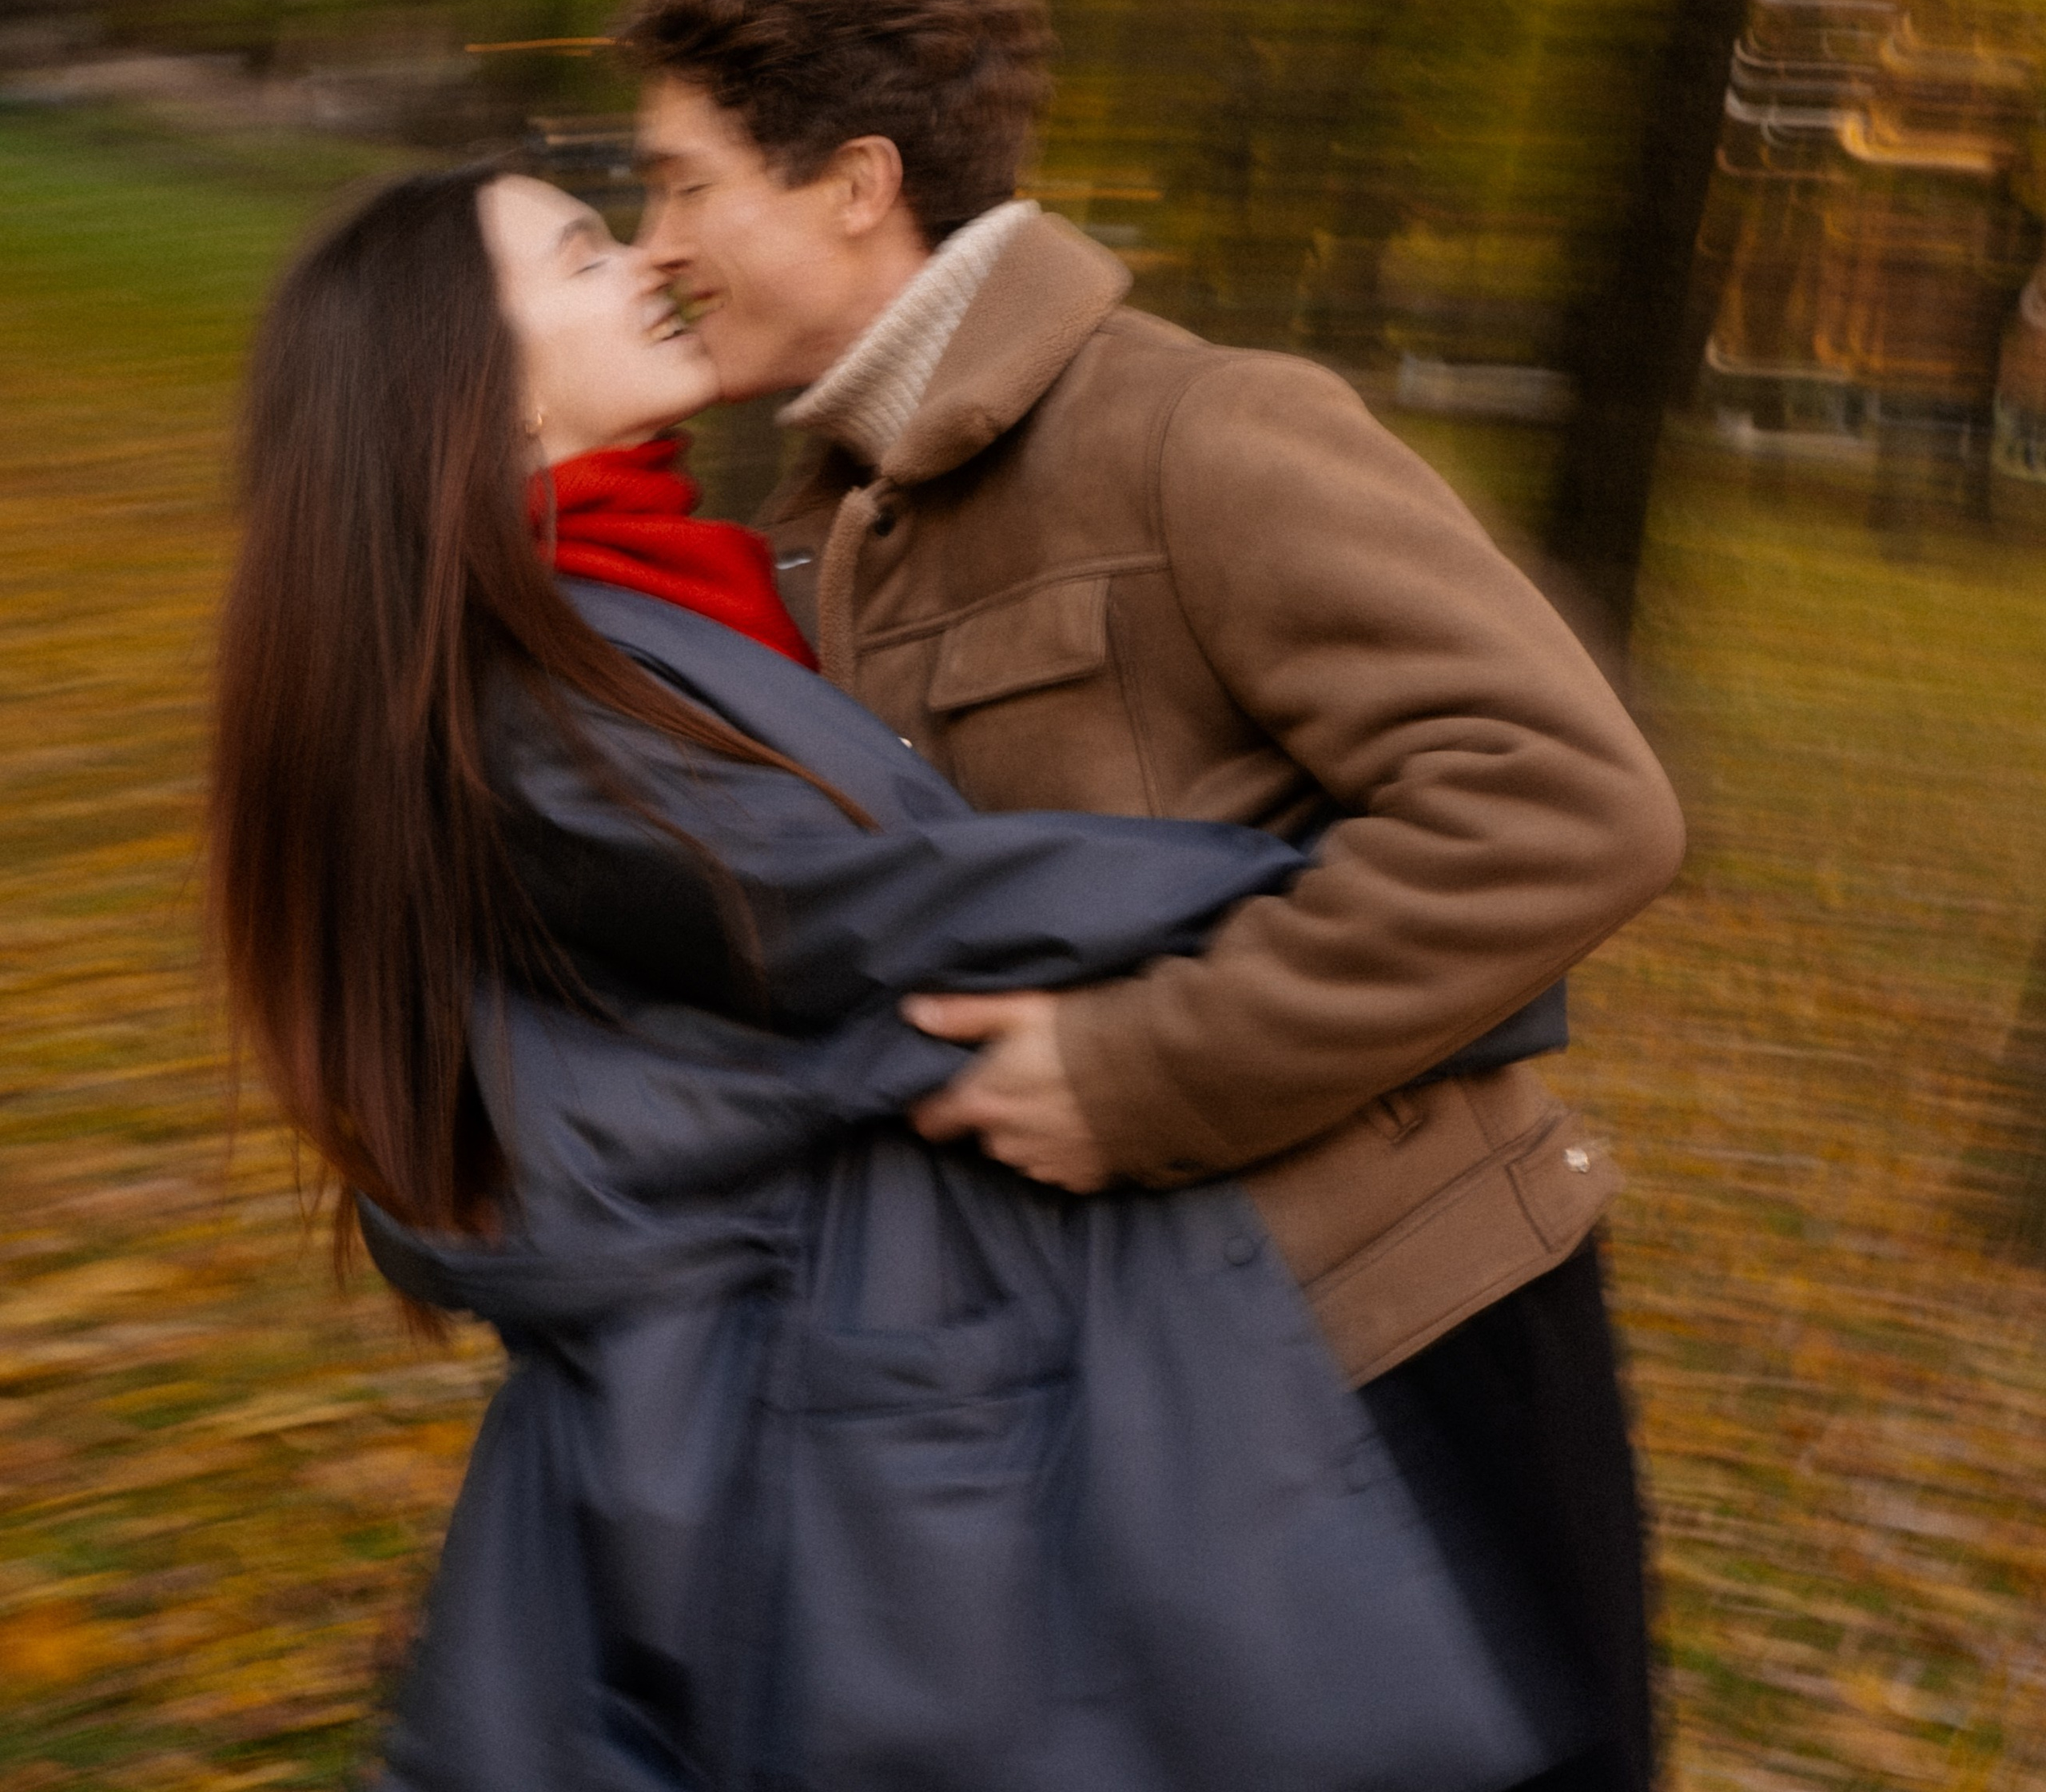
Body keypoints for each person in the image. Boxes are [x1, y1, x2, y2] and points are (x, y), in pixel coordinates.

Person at [210, 160, 1605, 1792]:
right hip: (814, 1412)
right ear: (480, 396)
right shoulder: (519, 689)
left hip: (897, 1368)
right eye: (587, 251)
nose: (644, 259)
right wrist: (1365, 901)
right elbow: (869, 908)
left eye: (657, 200)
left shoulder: (697, 579)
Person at [619, 0, 1690, 1792]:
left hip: (1402, 1343)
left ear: (856, 185)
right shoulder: (824, 528)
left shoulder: (1189, 428)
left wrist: (1140, 1070)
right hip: (1115, 1391)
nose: (656, 246)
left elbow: (1563, 800)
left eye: (680, 183)